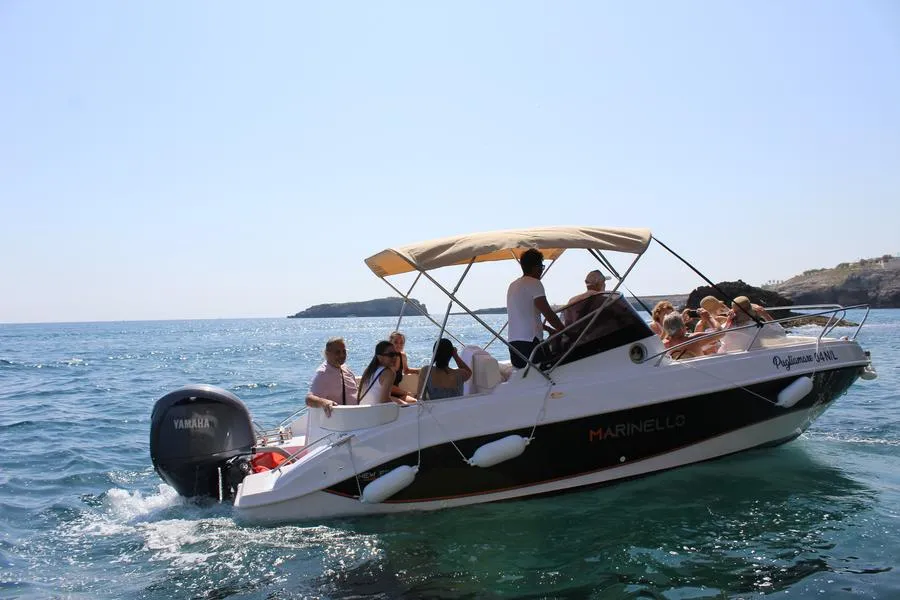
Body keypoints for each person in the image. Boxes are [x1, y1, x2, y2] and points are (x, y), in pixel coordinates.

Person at [506, 248, 566, 368]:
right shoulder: (534, 283)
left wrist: (548, 329)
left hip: (513, 345)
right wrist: (565, 330)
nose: (541, 270)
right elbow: (547, 312)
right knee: (552, 367)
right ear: (535, 267)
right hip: (530, 344)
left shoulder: (512, 286)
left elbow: (525, 316)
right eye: (541, 267)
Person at [305, 337, 359, 417]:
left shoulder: (344, 368)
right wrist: (324, 402)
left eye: (344, 351)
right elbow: (309, 399)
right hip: (340, 420)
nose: (342, 355)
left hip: (355, 416)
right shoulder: (323, 374)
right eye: (337, 352)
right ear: (327, 354)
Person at [358, 340, 412, 406]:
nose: (395, 357)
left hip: (363, 410)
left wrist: (399, 402)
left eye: (396, 354)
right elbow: (384, 401)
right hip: (375, 411)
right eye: (391, 355)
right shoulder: (388, 373)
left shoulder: (369, 370)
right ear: (379, 357)